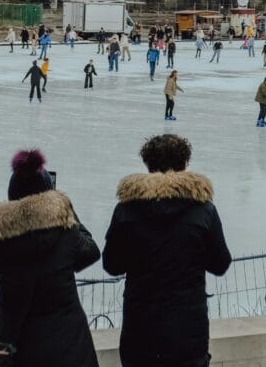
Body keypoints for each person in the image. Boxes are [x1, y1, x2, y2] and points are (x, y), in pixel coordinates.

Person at [103, 134, 231, 367]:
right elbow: (220, 263)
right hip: (187, 333)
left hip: (140, 330)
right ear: (184, 165)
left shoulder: (126, 210)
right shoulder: (204, 211)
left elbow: (112, 265)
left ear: (148, 166)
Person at [0, 149, 100, 367]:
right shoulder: (65, 236)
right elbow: (91, 252)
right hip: (71, 347)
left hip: (22, 350)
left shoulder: (0, 246)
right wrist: (66, 212)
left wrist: (6, 223)